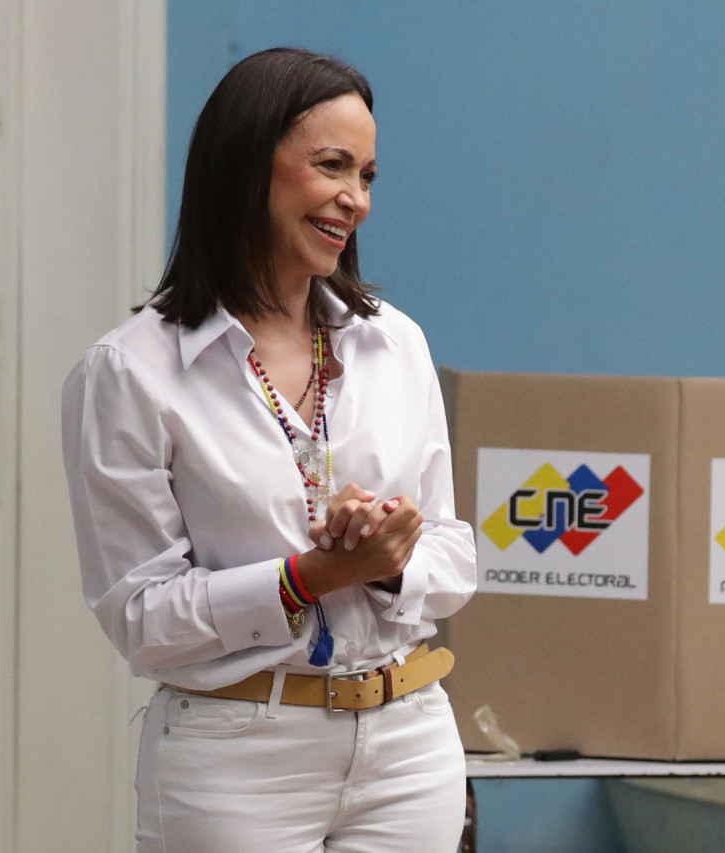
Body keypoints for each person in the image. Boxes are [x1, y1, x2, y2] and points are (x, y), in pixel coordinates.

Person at [61, 48, 476, 852]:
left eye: (368, 175)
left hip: (409, 744)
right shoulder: (128, 373)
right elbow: (141, 615)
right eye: (332, 166)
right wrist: (305, 578)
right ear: (249, 165)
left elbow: (455, 559)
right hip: (237, 757)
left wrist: (387, 558)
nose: (354, 199)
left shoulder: (396, 343)